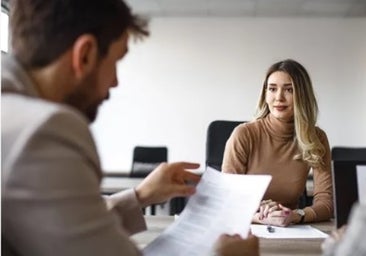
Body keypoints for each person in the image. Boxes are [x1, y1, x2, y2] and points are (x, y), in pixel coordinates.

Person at [1, 0, 260, 255]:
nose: (115, 82)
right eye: (116, 62)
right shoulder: (44, 130)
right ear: (86, 54)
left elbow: (62, 224)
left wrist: (139, 196)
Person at [222, 59, 333, 227]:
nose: (279, 97)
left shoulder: (316, 138)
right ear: (265, 94)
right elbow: (225, 202)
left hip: (290, 230)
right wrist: (258, 216)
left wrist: (296, 215)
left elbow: (326, 203)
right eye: (272, 89)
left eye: (289, 90)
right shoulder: (244, 134)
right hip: (245, 229)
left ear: (302, 95)